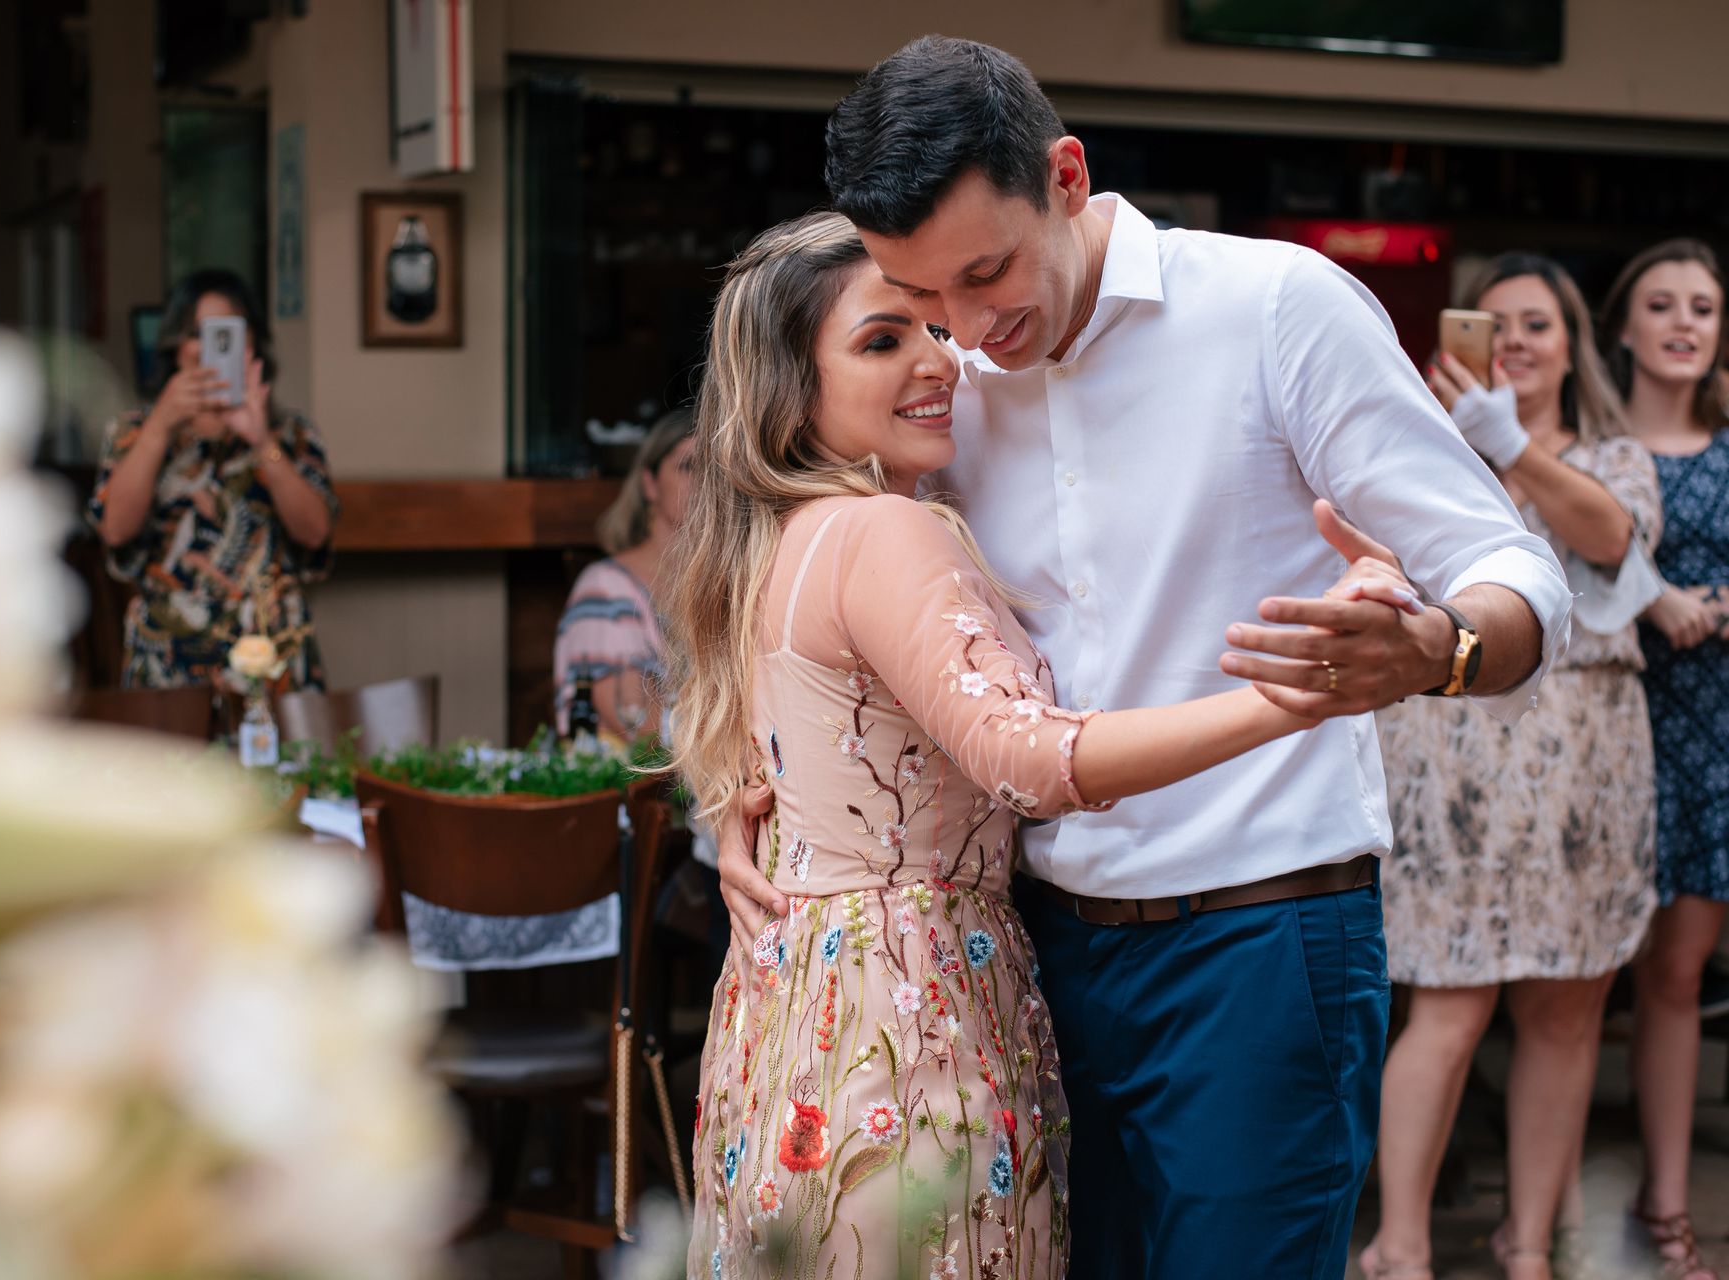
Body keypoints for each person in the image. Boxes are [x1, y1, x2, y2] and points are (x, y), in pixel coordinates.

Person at [716, 37, 1571, 1280]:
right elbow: (870, 659)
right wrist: (754, 803)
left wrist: (1439, 652)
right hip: (1027, 956)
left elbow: (1517, 573)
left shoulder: (1276, 307)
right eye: (921, 295)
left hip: (1261, 939)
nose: (961, 330)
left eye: (986, 272)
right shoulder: (941, 390)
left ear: (1066, 175)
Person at [672, 208, 1371, 1280]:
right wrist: (1296, 696)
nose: (936, 359)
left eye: (933, 326)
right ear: (789, 393)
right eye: (881, 339)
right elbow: (1025, 755)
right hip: (909, 1008)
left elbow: (757, 743)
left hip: (794, 1000)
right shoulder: (884, 528)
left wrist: (738, 819)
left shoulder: (772, 540)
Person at [1361, 254, 1661, 1280]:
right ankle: (1399, 1244)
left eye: (1540, 323)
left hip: (1588, 759)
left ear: (1575, 344)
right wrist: (1473, 442)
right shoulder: (1416, 445)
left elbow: (1615, 542)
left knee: (1570, 1004)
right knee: (1451, 999)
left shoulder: (1616, 458)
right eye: (1499, 324)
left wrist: (1517, 449)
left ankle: (1528, 1243)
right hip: (1457, 750)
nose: (1521, 340)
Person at [1601, 237, 1729, 1280]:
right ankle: (1660, 1205)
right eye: (1663, 304)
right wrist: (1654, 601)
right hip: (1633, 726)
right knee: (1659, 975)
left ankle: (1669, 1198)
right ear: (1627, 326)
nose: (1685, 321)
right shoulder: (1592, 448)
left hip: (1724, 724)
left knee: (1689, 968)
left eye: (1704, 306)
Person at [86, 268, 337, 689]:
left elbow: (315, 534)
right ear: (175, 347)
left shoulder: (293, 435)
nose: (208, 350)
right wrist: (160, 427)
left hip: (273, 662)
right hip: (169, 664)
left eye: (226, 334)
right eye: (196, 334)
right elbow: (115, 530)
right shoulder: (134, 431)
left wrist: (261, 441)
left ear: (252, 343)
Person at [553, 407, 694, 739]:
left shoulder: (729, 582)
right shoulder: (605, 589)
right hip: (635, 786)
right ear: (649, 483)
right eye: (689, 466)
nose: (707, 482)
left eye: (719, 470)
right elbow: (638, 725)